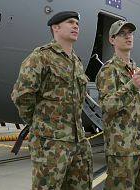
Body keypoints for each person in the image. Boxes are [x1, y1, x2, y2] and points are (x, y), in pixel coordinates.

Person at [11, 11, 93, 189]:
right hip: (50, 143)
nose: (76, 26)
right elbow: (22, 94)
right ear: (55, 27)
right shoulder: (41, 57)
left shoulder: (76, 62)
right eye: (70, 22)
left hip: (78, 142)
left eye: (77, 23)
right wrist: (39, 123)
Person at [96, 20, 140, 190]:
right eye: (122, 34)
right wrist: (131, 86)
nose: (128, 36)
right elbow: (108, 106)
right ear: (112, 40)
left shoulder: (135, 69)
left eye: (130, 33)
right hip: (123, 152)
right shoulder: (108, 71)